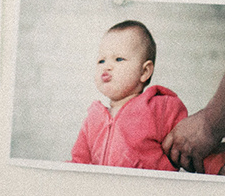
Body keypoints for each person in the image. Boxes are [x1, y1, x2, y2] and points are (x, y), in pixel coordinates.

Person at [69, 21, 187, 171]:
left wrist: (217, 167)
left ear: (144, 72)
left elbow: (192, 146)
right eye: (101, 60)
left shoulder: (160, 108)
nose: (107, 66)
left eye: (118, 59)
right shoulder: (92, 120)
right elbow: (78, 164)